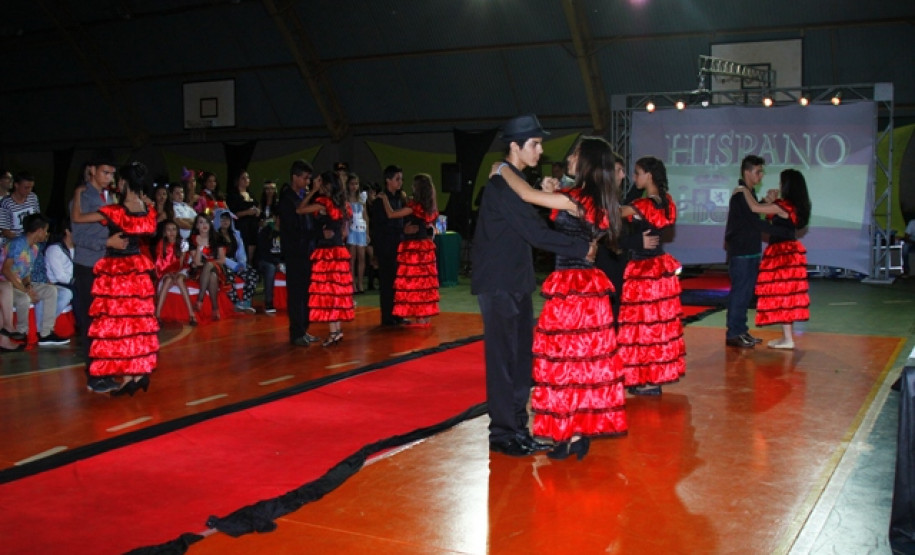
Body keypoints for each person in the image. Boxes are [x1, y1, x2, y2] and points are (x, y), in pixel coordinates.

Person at [493, 135, 627, 460]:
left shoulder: (575, 199)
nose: (569, 158)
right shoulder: (593, 200)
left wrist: (501, 169)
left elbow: (525, 194)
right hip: (588, 287)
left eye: (575, 154)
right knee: (583, 362)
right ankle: (576, 432)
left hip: (571, 287)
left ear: (588, 161)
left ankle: (568, 432)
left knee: (565, 360)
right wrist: (552, 190)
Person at [471, 114, 597, 458]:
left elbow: (533, 226)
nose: (540, 150)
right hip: (498, 283)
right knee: (503, 361)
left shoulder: (514, 183)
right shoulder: (502, 186)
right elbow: (536, 234)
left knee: (520, 357)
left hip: (514, 281)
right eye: (535, 144)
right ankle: (502, 434)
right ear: (516, 146)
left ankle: (517, 428)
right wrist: (581, 248)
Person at [71, 161, 158, 396]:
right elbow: (151, 230)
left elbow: (77, 218)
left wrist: (77, 194)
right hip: (138, 271)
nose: (112, 179)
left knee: (116, 324)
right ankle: (135, 375)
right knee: (137, 323)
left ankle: (126, 376)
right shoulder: (148, 210)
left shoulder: (116, 210)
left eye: (115, 176)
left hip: (117, 272)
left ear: (123, 182)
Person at [616, 156, 686, 396]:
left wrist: (634, 191)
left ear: (649, 175)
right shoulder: (666, 201)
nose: (634, 178)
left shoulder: (642, 206)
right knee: (656, 326)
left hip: (644, 271)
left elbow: (614, 214)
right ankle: (650, 377)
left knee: (643, 327)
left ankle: (649, 380)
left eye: (637, 174)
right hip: (659, 268)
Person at [734, 168, 812, 349]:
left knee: (783, 295)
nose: (779, 185)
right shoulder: (789, 206)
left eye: (781, 182)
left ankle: (788, 338)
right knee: (784, 295)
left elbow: (755, 208)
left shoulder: (783, 206)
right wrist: (770, 200)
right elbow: (769, 213)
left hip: (783, 255)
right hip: (787, 253)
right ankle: (786, 337)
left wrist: (744, 189)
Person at [71, 150, 126, 393]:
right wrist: (108, 243)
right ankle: (94, 376)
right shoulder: (82, 197)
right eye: (105, 172)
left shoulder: (104, 197)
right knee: (92, 323)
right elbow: (79, 237)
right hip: (88, 267)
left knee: (104, 323)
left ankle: (103, 371)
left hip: (104, 266)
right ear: (92, 170)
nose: (109, 177)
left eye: (112, 173)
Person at [298, 171, 354, 346]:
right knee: (335, 291)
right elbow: (345, 228)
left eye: (321, 183)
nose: (319, 185)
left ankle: (333, 332)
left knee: (327, 291)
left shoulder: (324, 203)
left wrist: (312, 192)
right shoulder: (343, 205)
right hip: (339, 250)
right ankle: (336, 331)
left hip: (327, 252)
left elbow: (300, 209)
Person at [380, 173, 440, 326]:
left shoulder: (415, 206)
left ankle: (420, 319)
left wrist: (384, 199)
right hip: (426, 248)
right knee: (425, 284)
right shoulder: (430, 206)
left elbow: (391, 214)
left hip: (414, 249)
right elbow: (429, 226)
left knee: (415, 284)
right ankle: (425, 319)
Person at [0, 213, 67, 346]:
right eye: (46, 230)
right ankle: (21, 332)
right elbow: (6, 270)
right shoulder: (18, 244)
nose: (46, 234)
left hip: (19, 284)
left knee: (50, 291)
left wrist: (28, 285)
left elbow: (25, 273)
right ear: (39, 230)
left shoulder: (34, 248)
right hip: (6, 285)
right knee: (24, 298)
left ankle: (46, 333)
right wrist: (26, 291)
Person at [724, 155, 766, 349]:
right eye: (758, 171)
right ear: (747, 172)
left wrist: (765, 202)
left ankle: (741, 329)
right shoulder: (741, 194)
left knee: (746, 293)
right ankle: (734, 332)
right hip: (741, 252)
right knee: (740, 292)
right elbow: (752, 220)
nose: (761, 176)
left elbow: (751, 218)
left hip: (750, 251)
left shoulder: (748, 193)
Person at [279, 160, 320, 346]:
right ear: (295, 177)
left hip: (307, 250)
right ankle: (296, 332)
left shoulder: (301, 197)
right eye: (304, 178)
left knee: (306, 292)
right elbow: (294, 225)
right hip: (295, 251)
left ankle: (304, 328)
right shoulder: (287, 198)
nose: (307, 181)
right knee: (296, 293)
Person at [370, 165, 408, 326]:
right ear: (388, 180)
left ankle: (398, 314)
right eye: (397, 179)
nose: (400, 182)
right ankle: (388, 316)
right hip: (386, 246)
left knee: (399, 282)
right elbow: (378, 227)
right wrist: (376, 252)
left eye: (401, 179)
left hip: (399, 245)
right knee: (387, 283)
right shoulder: (380, 201)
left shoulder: (400, 198)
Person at [214, 208, 258, 314]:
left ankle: (246, 302)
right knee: (228, 276)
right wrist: (234, 265)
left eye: (227, 219)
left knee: (252, 274)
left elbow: (241, 251)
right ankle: (236, 304)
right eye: (222, 219)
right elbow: (220, 256)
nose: (225, 221)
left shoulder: (235, 234)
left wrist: (242, 263)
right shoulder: (214, 236)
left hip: (235, 262)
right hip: (220, 262)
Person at [153, 219, 196, 325]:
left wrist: (176, 272)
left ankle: (191, 314)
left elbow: (182, 262)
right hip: (166, 271)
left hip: (181, 269)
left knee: (180, 280)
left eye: (174, 229)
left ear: (177, 231)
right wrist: (167, 273)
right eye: (168, 230)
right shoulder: (161, 244)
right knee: (167, 281)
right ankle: (157, 315)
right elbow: (159, 262)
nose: (171, 232)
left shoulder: (183, 243)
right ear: (164, 232)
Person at [187, 213, 228, 321]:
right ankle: (215, 308)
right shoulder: (192, 240)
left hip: (217, 266)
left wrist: (209, 264)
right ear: (196, 226)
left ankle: (200, 299)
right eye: (201, 222)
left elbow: (222, 260)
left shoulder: (217, 238)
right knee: (212, 276)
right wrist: (199, 246)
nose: (204, 224)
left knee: (210, 266)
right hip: (199, 270)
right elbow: (196, 262)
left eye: (206, 222)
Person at [40, 218, 76, 336]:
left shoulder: (79, 248)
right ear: (68, 231)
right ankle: (43, 325)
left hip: (73, 282)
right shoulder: (54, 249)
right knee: (71, 293)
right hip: (59, 284)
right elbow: (61, 277)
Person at [227, 170, 261, 263]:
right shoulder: (233, 195)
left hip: (253, 226)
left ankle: (250, 263)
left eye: (247, 178)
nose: (246, 180)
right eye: (243, 178)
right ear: (238, 180)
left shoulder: (251, 194)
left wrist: (257, 211)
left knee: (253, 245)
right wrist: (247, 212)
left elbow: (257, 206)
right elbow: (233, 213)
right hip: (241, 226)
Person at [0, 172, 41, 248]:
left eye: (31, 187)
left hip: (33, 242)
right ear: (16, 185)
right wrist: (23, 240)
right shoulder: (6, 203)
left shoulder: (33, 197)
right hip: (13, 244)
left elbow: (37, 219)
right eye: (26, 187)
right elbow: (5, 231)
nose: (29, 190)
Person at [346, 173, 369, 294]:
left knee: (362, 256)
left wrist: (368, 232)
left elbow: (365, 215)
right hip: (351, 228)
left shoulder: (362, 197)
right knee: (352, 257)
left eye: (356, 183)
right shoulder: (345, 198)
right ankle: (353, 283)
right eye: (352, 184)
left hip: (361, 228)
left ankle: (360, 283)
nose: (354, 186)